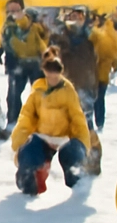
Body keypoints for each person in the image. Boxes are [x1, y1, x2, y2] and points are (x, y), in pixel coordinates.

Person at [10, 47, 90, 195]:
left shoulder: (68, 90)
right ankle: (29, 187)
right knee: (28, 154)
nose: (52, 79)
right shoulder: (38, 89)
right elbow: (27, 115)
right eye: (49, 76)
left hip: (64, 137)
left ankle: (78, 188)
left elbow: (77, 117)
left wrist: (83, 143)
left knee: (73, 156)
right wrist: (19, 140)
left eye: (56, 76)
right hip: (43, 136)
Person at [50, 6, 102, 173]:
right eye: (71, 16)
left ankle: (93, 159)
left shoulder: (92, 38)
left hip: (85, 86)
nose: (74, 19)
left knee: (86, 124)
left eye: (78, 16)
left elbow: (100, 59)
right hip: (66, 87)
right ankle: (78, 159)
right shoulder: (60, 38)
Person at [0, 1, 47, 136]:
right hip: (17, 63)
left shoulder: (32, 25)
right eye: (10, 10)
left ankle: (41, 122)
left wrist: (21, 18)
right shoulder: (7, 27)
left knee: (38, 94)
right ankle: (13, 122)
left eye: (16, 10)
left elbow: (25, 26)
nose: (13, 13)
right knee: (13, 95)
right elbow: (6, 44)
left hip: (36, 63)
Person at [89, 12, 117, 131]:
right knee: (99, 97)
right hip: (101, 70)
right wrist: (115, 64)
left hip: (95, 69)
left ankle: (93, 122)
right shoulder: (112, 32)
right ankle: (99, 121)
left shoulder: (97, 31)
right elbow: (116, 50)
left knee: (93, 97)